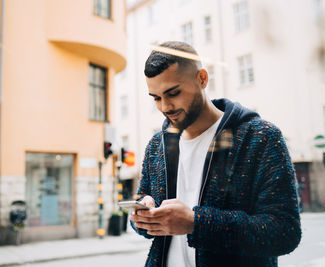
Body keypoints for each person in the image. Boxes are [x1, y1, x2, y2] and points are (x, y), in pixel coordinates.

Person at [129, 41, 301, 267]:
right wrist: (143, 214)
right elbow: (144, 200)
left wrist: (196, 223)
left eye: (173, 93)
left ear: (202, 78)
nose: (165, 107)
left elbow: (284, 232)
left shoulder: (261, 137)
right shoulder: (157, 144)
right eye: (156, 98)